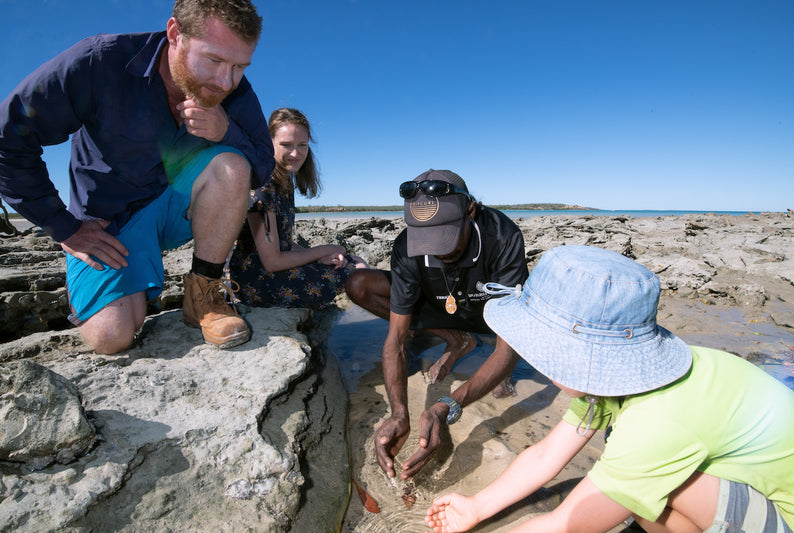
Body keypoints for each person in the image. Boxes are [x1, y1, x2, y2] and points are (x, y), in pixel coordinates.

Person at [425, 245, 794, 533]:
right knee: (635, 485)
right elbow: (545, 456)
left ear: (577, 355)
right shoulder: (622, 377)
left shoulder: (656, 421)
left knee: (637, 485)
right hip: (750, 477)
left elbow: (563, 524)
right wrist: (474, 508)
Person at [0, 0, 273, 354]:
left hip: (179, 211)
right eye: (214, 59)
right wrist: (63, 227)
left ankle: (203, 294)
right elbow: (8, 138)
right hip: (107, 224)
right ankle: (127, 286)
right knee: (112, 337)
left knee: (232, 164)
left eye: (239, 66)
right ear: (175, 34)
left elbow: (263, 165)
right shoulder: (100, 61)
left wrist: (226, 133)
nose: (226, 81)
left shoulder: (237, 90)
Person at [345, 169, 528, 480]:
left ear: (471, 211)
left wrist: (445, 407)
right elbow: (396, 340)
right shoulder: (407, 246)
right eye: (427, 239)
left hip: (488, 312)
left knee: (505, 360)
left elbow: (512, 344)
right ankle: (457, 340)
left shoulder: (502, 235)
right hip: (440, 305)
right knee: (360, 282)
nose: (439, 250)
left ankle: (485, 358)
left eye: (446, 238)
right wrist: (399, 412)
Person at [228, 108, 368, 309]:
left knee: (353, 261)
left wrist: (319, 256)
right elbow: (272, 261)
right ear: (269, 144)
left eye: (302, 145)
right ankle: (398, 326)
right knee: (358, 271)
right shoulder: (262, 186)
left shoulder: (284, 183)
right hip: (256, 283)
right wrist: (324, 249)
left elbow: (283, 242)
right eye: (286, 145)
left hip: (273, 273)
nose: (295, 153)